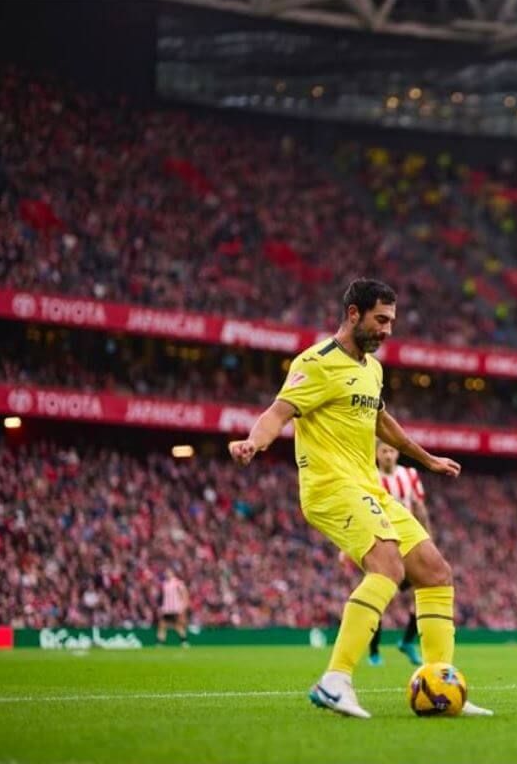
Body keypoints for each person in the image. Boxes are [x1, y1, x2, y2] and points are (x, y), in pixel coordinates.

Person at [229, 278, 491, 718]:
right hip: (330, 488)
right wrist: (253, 442)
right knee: (387, 566)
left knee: (435, 572)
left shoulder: (372, 369)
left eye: (391, 321)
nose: (387, 330)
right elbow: (278, 412)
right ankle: (335, 681)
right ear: (353, 314)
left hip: (369, 487)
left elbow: (383, 423)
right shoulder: (316, 362)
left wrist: (427, 459)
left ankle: (440, 684)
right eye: (380, 320)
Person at [369, 441, 426, 667]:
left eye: (392, 451)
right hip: (381, 544)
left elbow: (419, 507)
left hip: (407, 542)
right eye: (384, 451)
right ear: (376, 454)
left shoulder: (409, 475)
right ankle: (374, 651)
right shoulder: (371, 478)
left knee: (423, 591)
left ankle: (407, 641)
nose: (388, 455)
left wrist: (427, 538)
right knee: (379, 597)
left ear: (398, 453)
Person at [156, 569, 190, 648]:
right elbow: (162, 597)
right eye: (166, 572)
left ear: (173, 573)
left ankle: (184, 641)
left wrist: (183, 607)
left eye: (168, 572)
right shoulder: (164, 584)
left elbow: (184, 594)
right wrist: (161, 607)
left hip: (175, 609)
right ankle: (160, 643)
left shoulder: (178, 583)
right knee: (162, 625)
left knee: (178, 626)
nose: (167, 574)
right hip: (166, 609)